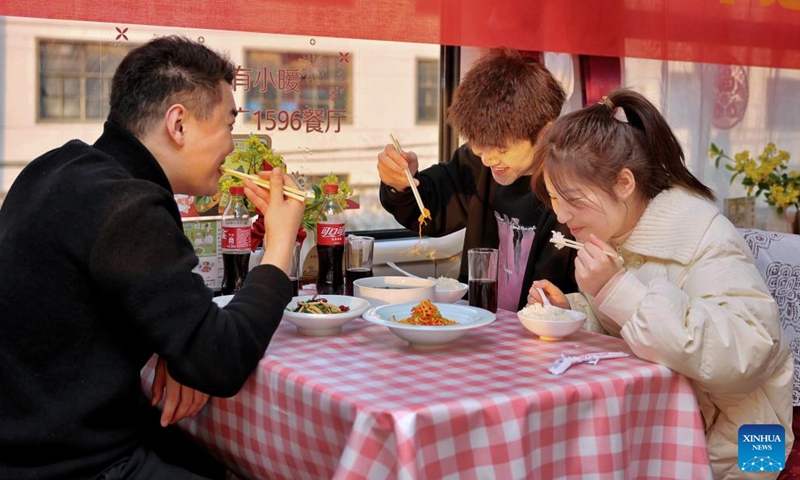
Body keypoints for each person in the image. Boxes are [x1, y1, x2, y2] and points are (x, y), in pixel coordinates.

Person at [0, 36, 305, 479]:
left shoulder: (56, 168)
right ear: (178, 124)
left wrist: (177, 344)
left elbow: (129, 305)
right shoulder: (128, 207)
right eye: (227, 125)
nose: (232, 146)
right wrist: (279, 245)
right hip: (71, 464)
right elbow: (221, 361)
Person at [528, 88, 793, 479]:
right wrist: (577, 309)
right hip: (668, 427)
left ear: (623, 183)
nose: (562, 214)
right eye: (553, 198)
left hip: (748, 444)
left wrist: (617, 290)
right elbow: (632, 331)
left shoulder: (703, 234)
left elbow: (749, 352)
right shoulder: (619, 235)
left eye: (574, 200)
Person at [377, 48, 577, 312]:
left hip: (541, 333)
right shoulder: (475, 165)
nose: (488, 160)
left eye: (502, 148)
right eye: (480, 146)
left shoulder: (574, 187)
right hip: (480, 323)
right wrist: (400, 184)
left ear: (545, 132)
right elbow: (427, 208)